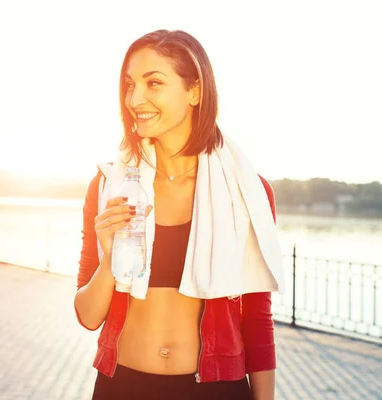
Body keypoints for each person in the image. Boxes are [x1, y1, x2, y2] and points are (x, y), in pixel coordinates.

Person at [74, 29, 283, 400]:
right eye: (129, 85)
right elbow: (88, 316)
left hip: (216, 389)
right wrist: (111, 258)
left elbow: (257, 320)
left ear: (195, 90)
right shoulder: (109, 186)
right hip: (122, 385)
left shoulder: (246, 191)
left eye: (153, 83)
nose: (135, 98)